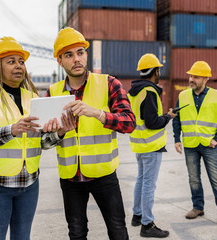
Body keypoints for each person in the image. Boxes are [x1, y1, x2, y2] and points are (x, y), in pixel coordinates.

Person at [0, 36, 68, 240]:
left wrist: (59, 133)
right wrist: (11, 130)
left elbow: (40, 142)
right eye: (11, 61)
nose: (18, 66)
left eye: (21, 62)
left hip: (29, 183)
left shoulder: (32, 98)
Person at [47, 27, 136, 240]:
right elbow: (44, 142)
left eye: (80, 52)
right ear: (60, 61)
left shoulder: (108, 83)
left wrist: (98, 114)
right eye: (69, 55)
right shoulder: (52, 92)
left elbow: (130, 123)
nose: (76, 59)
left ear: (86, 54)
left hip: (104, 174)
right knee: (76, 233)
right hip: (70, 178)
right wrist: (59, 133)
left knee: (117, 231)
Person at [172, 61, 217, 230]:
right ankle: (198, 207)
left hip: (209, 145)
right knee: (194, 179)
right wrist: (176, 138)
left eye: (195, 77)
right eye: (190, 76)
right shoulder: (183, 96)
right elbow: (177, 118)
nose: (191, 79)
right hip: (190, 144)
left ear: (206, 79)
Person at [127, 54, 176, 238]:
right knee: (149, 184)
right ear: (155, 71)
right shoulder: (150, 91)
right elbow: (152, 122)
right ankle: (147, 224)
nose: (159, 73)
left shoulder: (135, 91)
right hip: (151, 145)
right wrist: (168, 117)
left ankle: (137, 215)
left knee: (141, 180)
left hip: (139, 145)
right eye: (159, 70)